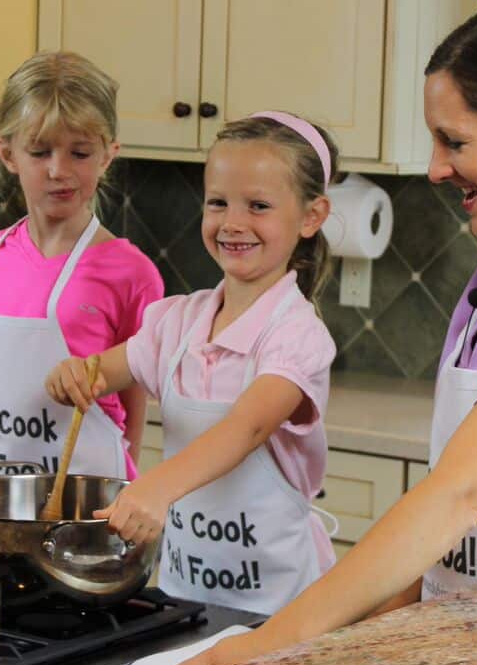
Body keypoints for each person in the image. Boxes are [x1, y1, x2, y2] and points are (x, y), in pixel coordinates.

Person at [153, 0, 477, 665]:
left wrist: (270, 641)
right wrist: (337, 653)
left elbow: (461, 495)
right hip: (471, 653)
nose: (434, 168)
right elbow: (437, 530)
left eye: (454, 141)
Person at [45, 111, 339, 613]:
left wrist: (155, 488)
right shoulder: (176, 323)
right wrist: (74, 374)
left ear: (311, 217)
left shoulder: (297, 336)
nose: (233, 223)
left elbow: (246, 428)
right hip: (184, 600)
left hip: (275, 613)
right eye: (218, 202)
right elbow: (101, 373)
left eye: (259, 205)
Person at [0, 51, 162, 479]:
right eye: (40, 151)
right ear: (8, 154)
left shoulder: (131, 272)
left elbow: (135, 392)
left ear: (108, 155)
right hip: (1, 483)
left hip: (89, 486)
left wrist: (123, 485)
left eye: (80, 153)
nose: (58, 170)